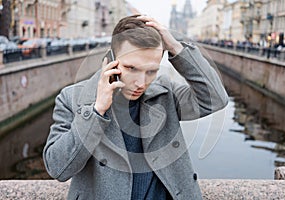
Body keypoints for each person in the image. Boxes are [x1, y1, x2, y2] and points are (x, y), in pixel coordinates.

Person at [43, 15, 228, 200]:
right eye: (132, 68)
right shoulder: (72, 99)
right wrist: (96, 111)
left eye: (151, 71)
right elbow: (58, 168)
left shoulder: (165, 94)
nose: (141, 82)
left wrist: (176, 47)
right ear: (111, 59)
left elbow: (216, 99)